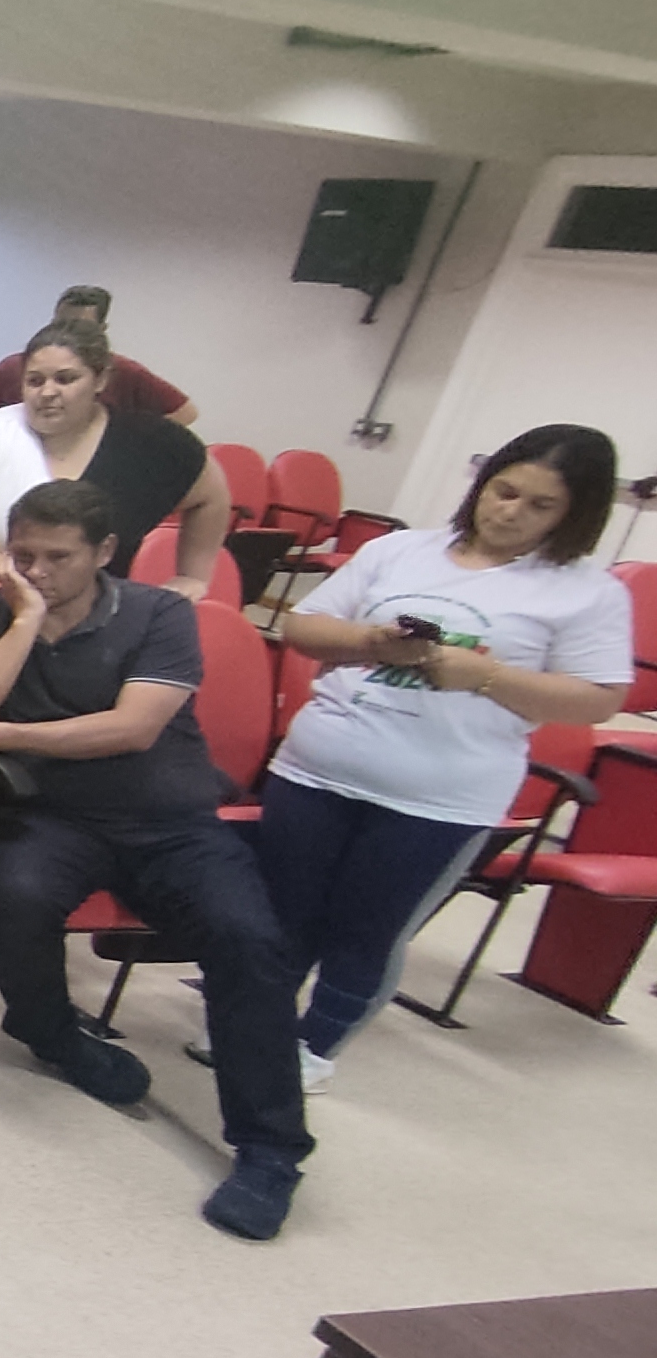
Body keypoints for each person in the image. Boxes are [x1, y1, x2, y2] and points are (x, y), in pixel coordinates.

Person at [0, 478, 311, 1239]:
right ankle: (52, 1033)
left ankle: (270, 1150)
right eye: (23, 554)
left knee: (249, 940)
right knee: (16, 904)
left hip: (170, 820)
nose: (37, 571)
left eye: (58, 557)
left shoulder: (159, 614)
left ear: (105, 552)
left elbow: (132, 728)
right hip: (51, 816)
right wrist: (24, 621)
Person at [256, 424, 632, 1086]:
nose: (510, 511)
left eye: (540, 505)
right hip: (318, 770)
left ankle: (314, 1049)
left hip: (439, 797)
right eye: (503, 490)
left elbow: (598, 699)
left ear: (575, 515)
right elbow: (304, 627)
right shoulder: (401, 551)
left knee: (367, 931)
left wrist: (486, 677)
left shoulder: (585, 592)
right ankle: (251, 1025)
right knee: (283, 913)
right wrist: (371, 642)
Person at [0, 318, 227, 625]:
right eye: (35, 381)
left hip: (67, 632)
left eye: (66, 379)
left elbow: (211, 494)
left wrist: (193, 577)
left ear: (100, 380)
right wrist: (18, 580)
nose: (48, 392)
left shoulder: (148, 443)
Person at [0, 286, 197, 427]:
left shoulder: (124, 370)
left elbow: (185, 412)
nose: (68, 332)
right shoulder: (12, 368)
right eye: (36, 381)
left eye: (66, 379)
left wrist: (131, 442)